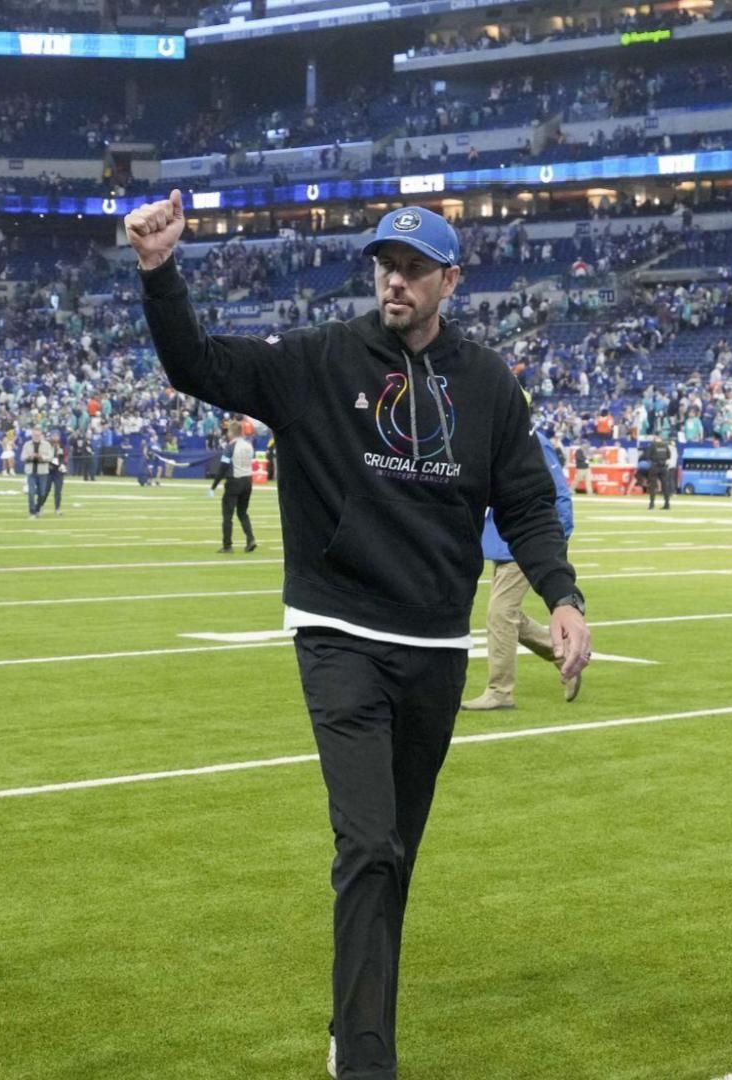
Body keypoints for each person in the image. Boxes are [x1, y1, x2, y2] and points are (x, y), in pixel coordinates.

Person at [128, 193, 591, 1080]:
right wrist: (160, 271)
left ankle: (356, 1022)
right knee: (368, 842)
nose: (396, 280)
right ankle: (367, 1056)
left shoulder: (488, 382)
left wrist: (563, 596)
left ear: (450, 281)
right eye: (387, 264)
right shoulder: (319, 359)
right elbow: (196, 364)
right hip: (337, 629)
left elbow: (528, 502)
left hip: (432, 645)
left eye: (416, 269)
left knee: (396, 852)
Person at [462, 423, 580, 710]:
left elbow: (558, 492)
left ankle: (500, 691)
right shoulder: (493, 434)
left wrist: (553, 540)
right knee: (506, 614)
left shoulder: (530, 440)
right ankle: (563, 656)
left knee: (500, 613)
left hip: (525, 544)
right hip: (500, 542)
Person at [218, 421, 257, 554]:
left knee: (227, 515)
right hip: (248, 480)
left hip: (234, 481)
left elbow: (223, 465)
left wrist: (214, 484)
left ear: (232, 432)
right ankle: (250, 538)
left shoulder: (231, 446)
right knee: (243, 513)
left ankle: (227, 545)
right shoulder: (248, 445)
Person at [20, 427, 57, 518]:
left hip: (43, 471)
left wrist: (41, 457)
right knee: (31, 493)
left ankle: (37, 508)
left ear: (41, 435)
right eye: (35, 435)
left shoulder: (47, 445)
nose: (36, 436)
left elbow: (50, 457)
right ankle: (32, 512)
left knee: (42, 493)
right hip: (31, 471)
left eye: (38, 435)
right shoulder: (27, 444)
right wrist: (30, 457)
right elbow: (22, 457)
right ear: (32, 435)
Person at [642, 435, 674, 509]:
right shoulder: (665, 446)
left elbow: (647, 456)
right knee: (665, 486)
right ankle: (667, 504)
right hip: (663, 467)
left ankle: (652, 504)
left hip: (655, 466)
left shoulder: (652, 445)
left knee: (652, 486)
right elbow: (669, 456)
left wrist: (651, 461)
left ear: (655, 439)